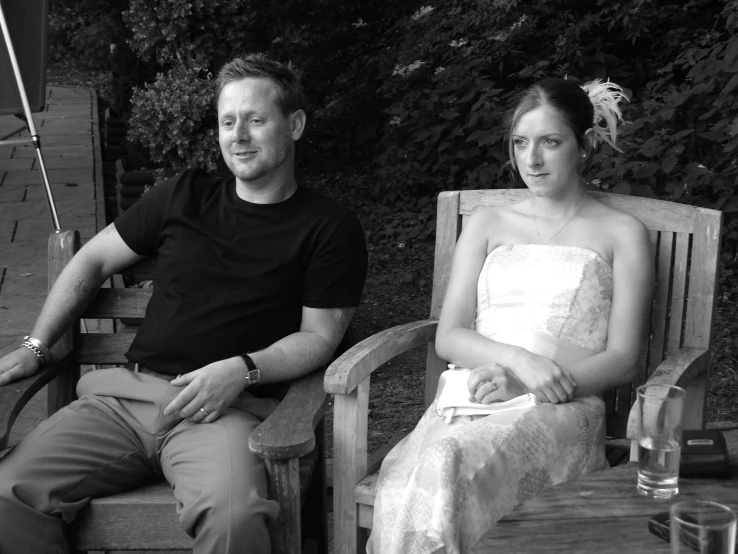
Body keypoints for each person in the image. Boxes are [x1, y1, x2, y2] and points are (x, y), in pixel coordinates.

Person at [0, 54, 368, 554]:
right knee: (5, 494)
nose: (238, 135)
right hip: (123, 403)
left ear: (296, 124)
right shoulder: (184, 196)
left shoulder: (328, 228)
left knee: (234, 520)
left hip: (226, 412)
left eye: (256, 120)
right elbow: (90, 262)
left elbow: (319, 337)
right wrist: (36, 345)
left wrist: (241, 370)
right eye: (228, 121)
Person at [368, 78, 653, 554]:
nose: (532, 159)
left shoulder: (622, 233)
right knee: (444, 456)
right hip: (472, 397)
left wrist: (532, 384)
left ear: (583, 146)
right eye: (521, 143)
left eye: (550, 142)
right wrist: (516, 362)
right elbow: (450, 335)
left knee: (446, 459)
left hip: (564, 408)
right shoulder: (488, 223)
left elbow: (624, 358)